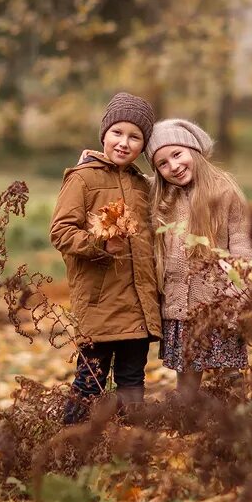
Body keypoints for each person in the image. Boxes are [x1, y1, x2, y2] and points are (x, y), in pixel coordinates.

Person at [49, 92, 162, 424]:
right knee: (90, 383)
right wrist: (99, 244)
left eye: (135, 136)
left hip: (138, 306)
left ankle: (128, 447)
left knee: (132, 383)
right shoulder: (82, 179)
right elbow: (60, 231)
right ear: (104, 134)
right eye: (117, 132)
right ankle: (70, 447)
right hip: (100, 304)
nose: (124, 142)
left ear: (144, 145)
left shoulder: (142, 185)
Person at [146, 118, 251, 398]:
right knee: (187, 377)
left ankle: (239, 424)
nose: (173, 167)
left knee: (230, 374)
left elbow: (241, 247)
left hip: (219, 304)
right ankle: (186, 424)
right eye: (162, 163)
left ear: (194, 150)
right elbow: (124, 178)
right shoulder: (161, 196)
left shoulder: (224, 191)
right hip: (180, 306)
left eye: (177, 154)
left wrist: (238, 296)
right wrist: (95, 160)